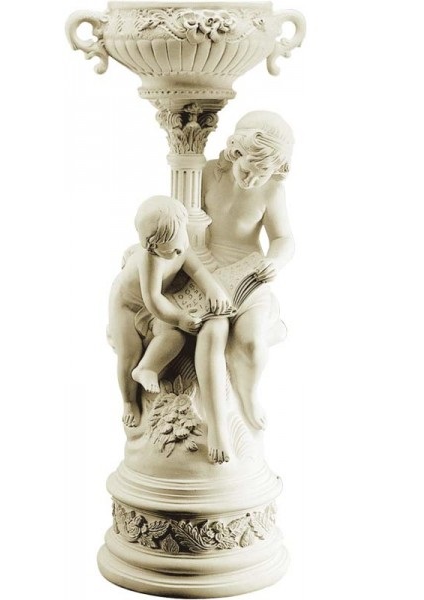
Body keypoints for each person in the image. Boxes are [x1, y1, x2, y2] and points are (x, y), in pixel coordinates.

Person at [197, 111, 295, 459]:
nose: (252, 180)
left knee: (251, 343)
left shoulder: (272, 190)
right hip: (208, 272)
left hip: (249, 274)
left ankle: (248, 394)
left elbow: (284, 238)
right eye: (247, 170)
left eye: (262, 173)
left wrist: (275, 261)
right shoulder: (208, 173)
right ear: (235, 152)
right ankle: (215, 422)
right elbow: (182, 220)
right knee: (213, 335)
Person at [108, 195, 230, 428]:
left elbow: (197, 270)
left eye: (181, 242)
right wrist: (180, 318)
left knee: (175, 336)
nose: (179, 251)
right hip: (127, 305)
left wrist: (213, 290)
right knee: (129, 353)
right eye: (172, 250)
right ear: (153, 247)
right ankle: (129, 402)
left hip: (157, 303)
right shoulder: (150, 260)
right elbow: (153, 299)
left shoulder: (180, 245)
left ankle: (147, 367)